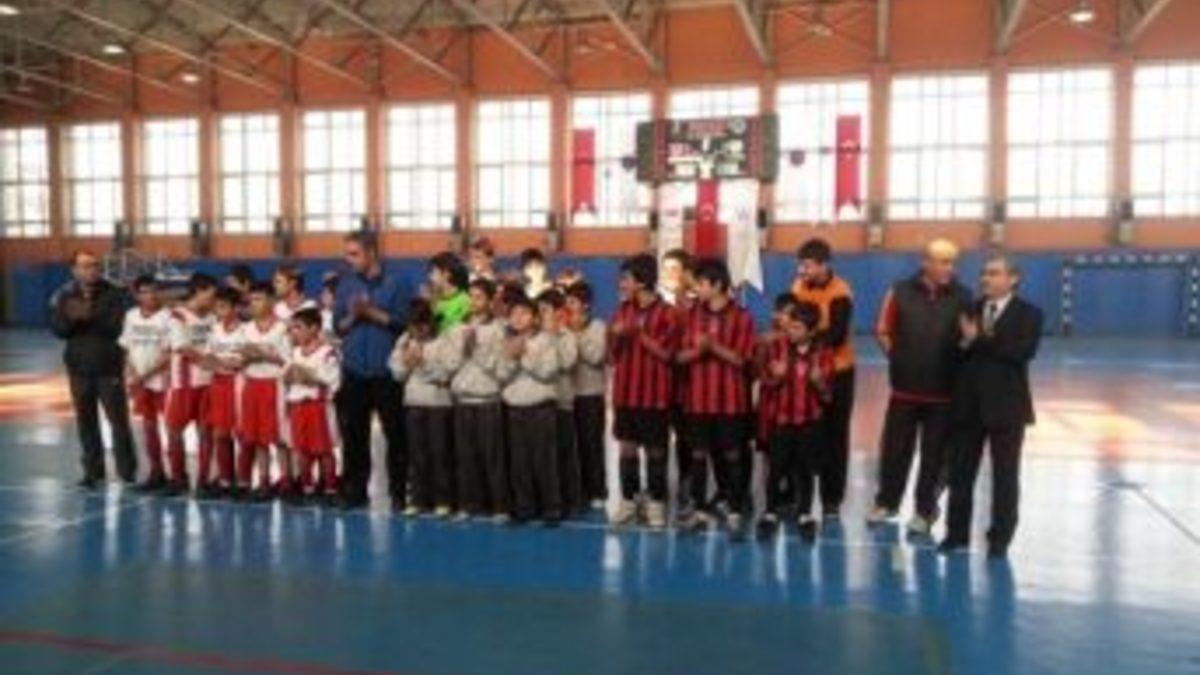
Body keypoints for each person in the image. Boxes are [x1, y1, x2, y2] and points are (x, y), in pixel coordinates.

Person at [940, 253, 1043, 560]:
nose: (986, 278)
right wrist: (963, 344)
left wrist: (978, 340)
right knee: (961, 475)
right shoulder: (969, 310)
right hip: (968, 407)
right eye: (985, 273)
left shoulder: (1030, 314)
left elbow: (1020, 353)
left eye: (994, 273)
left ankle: (1000, 539)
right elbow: (955, 354)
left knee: (1005, 477)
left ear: (1013, 279)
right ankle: (956, 535)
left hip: (1007, 408)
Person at [868, 239, 972, 535]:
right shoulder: (899, 291)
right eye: (943, 262)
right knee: (894, 451)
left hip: (944, 394)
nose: (950, 268)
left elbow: (968, 339)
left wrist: (967, 343)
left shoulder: (964, 297)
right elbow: (882, 330)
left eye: (953, 262)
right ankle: (886, 502)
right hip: (904, 391)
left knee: (934, 456)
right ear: (925, 262)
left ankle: (925, 511)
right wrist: (899, 360)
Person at [676, 258, 756, 539]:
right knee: (698, 455)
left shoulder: (742, 317)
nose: (696, 288)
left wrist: (713, 347)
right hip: (697, 400)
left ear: (718, 285)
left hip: (730, 401)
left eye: (701, 284)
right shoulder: (693, 315)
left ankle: (735, 511)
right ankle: (698, 511)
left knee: (732, 455)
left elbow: (742, 359)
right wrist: (698, 352)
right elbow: (680, 356)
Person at [50, 250, 137, 489]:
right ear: (74, 270)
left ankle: (126, 473)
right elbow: (59, 330)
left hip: (108, 368)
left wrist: (90, 314)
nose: (92, 270)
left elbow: (118, 328)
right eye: (86, 265)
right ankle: (93, 472)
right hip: (79, 369)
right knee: (85, 422)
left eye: (95, 265)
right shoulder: (65, 295)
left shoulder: (114, 294)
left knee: (118, 422)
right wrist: (73, 319)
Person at [334, 232, 408, 510]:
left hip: (387, 371)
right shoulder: (346, 284)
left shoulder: (397, 282)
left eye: (354, 254)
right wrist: (354, 315)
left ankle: (399, 492)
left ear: (372, 253)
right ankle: (354, 491)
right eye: (346, 253)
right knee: (353, 435)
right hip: (354, 369)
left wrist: (371, 312)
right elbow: (338, 327)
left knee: (396, 435)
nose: (348, 259)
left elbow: (404, 323)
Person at [609, 253, 680, 529]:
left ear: (641, 281)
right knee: (626, 449)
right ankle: (629, 500)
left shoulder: (668, 313)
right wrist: (616, 336)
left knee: (655, 452)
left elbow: (668, 354)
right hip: (625, 393)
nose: (621, 283)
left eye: (625, 279)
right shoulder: (622, 310)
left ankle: (656, 502)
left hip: (655, 395)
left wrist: (638, 335)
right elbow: (612, 356)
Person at [791, 238, 855, 519]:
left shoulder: (841, 291)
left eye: (807, 265)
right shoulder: (798, 287)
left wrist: (806, 338)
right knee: (804, 432)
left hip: (838, 373)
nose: (802, 270)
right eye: (800, 265)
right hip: (803, 372)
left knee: (835, 436)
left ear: (823, 265)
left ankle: (831, 499)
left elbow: (837, 335)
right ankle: (801, 497)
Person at [757, 302, 832, 543]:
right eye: (790, 326)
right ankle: (770, 512)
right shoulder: (776, 348)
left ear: (811, 331)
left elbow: (828, 397)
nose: (790, 331)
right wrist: (776, 377)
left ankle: (805, 514)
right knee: (776, 468)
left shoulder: (823, 353)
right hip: (781, 421)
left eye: (797, 328)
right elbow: (765, 384)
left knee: (805, 470)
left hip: (809, 423)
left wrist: (819, 383)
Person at [446, 278, 509, 521]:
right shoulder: (457, 328)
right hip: (462, 400)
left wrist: (476, 349)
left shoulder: (499, 329)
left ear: (491, 300)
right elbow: (449, 364)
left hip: (487, 400)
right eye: (470, 296)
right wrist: (462, 350)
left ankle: (499, 506)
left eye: (479, 297)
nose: (473, 301)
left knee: (492, 457)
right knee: (465, 457)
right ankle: (468, 504)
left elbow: (501, 368)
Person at [497, 294, 562, 525]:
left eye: (523, 313)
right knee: (519, 462)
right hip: (515, 409)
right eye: (513, 314)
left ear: (535, 318)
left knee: (544, 461)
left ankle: (551, 508)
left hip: (540, 408)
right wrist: (512, 358)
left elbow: (548, 372)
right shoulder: (506, 341)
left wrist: (523, 356)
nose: (517, 318)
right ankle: (524, 508)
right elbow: (501, 374)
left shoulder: (546, 341)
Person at [390, 297, 456, 517]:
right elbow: (397, 374)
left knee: (440, 453)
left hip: (438, 404)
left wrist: (422, 364)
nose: (418, 330)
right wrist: (406, 363)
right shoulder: (404, 341)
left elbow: (446, 374)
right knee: (417, 454)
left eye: (422, 325)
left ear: (430, 323)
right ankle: (418, 499)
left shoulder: (443, 342)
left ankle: (443, 499)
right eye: (413, 326)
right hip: (414, 403)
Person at [164, 272, 218, 496]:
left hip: (209, 383)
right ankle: (179, 478)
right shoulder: (178, 316)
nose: (213, 300)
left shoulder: (213, 317)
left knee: (206, 433)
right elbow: (182, 348)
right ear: (198, 291)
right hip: (184, 385)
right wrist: (211, 361)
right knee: (174, 432)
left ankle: (203, 480)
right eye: (210, 295)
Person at [237, 282, 292, 501]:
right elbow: (240, 359)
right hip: (252, 384)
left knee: (279, 437)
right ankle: (264, 481)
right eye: (251, 300)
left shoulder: (284, 327)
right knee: (258, 437)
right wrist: (246, 357)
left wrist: (262, 354)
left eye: (258, 299)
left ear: (271, 301)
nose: (253, 304)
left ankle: (286, 481)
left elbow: (289, 361)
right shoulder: (246, 328)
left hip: (275, 385)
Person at [283, 307, 342, 504]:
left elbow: (332, 380)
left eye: (298, 327)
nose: (294, 332)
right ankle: (307, 487)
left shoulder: (328, 352)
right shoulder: (295, 352)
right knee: (301, 449)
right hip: (298, 406)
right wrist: (294, 375)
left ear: (314, 328)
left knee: (323, 449)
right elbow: (286, 377)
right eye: (292, 328)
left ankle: (330, 488)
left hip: (318, 406)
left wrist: (308, 375)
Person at [119, 274, 171, 491]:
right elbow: (127, 347)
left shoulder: (168, 317)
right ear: (137, 295)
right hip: (141, 383)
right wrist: (132, 373)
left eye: (154, 291)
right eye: (145, 292)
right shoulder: (131, 316)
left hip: (164, 382)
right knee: (149, 428)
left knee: (172, 429)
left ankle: (177, 475)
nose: (150, 296)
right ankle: (156, 472)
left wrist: (144, 375)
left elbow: (169, 355)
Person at [537, 288, 582, 517]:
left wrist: (552, 336)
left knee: (564, 454)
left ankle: (571, 501)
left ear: (557, 312)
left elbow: (566, 363)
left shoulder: (568, 336)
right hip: (539, 403)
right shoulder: (534, 335)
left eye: (545, 310)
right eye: (539, 310)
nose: (541, 315)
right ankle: (545, 500)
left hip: (562, 401)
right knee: (544, 456)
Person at [565, 281, 607, 510]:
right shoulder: (563, 327)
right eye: (567, 302)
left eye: (573, 302)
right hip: (568, 395)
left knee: (591, 445)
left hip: (590, 394)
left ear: (586, 305)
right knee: (572, 446)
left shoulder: (598, 327)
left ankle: (597, 490)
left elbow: (596, 357)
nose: (568, 306)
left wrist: (578, 333)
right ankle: (577, 490)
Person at [201, 287, 245, 497]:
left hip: (238, 385)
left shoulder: (245, 330)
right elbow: (206, 360)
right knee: (220, 434)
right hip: (218, 384)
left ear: (236, 308)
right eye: (217, 307)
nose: (219, 311)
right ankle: (226, 479)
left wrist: (220, 361)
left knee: (241, 434)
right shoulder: (214, 329)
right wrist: (223, 362)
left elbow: (241, 362)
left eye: (224, 306)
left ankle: (243, 480)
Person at [428, 251, 471, 334]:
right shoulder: (434, 299)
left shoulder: (464, 301)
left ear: (446, 274)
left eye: (433, 272)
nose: (430, 277)